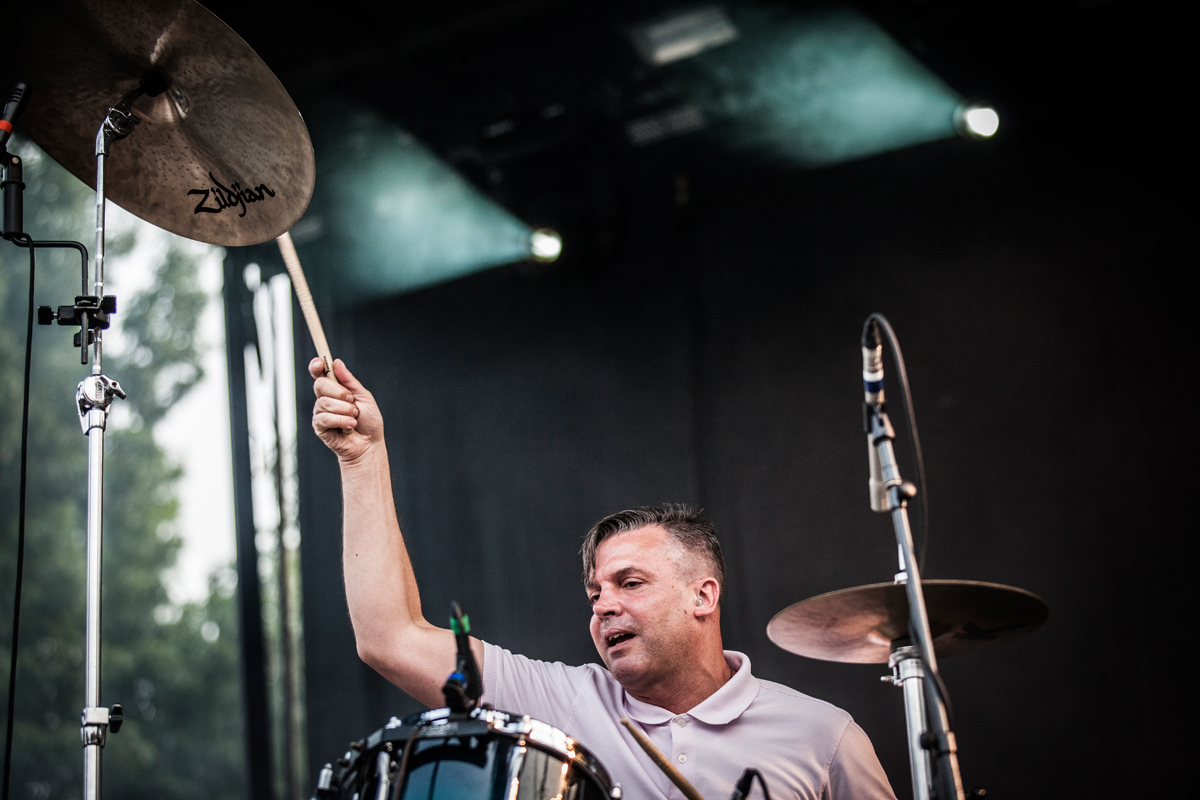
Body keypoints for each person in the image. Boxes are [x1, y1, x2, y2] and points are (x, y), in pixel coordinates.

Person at [310, 357, 897, 800]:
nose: (603, 605)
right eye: (595, 593)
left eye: (630, 583)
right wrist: (362, 459)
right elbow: (389, 637)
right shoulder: (562, 704)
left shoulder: (823, 737)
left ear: (703, 595)